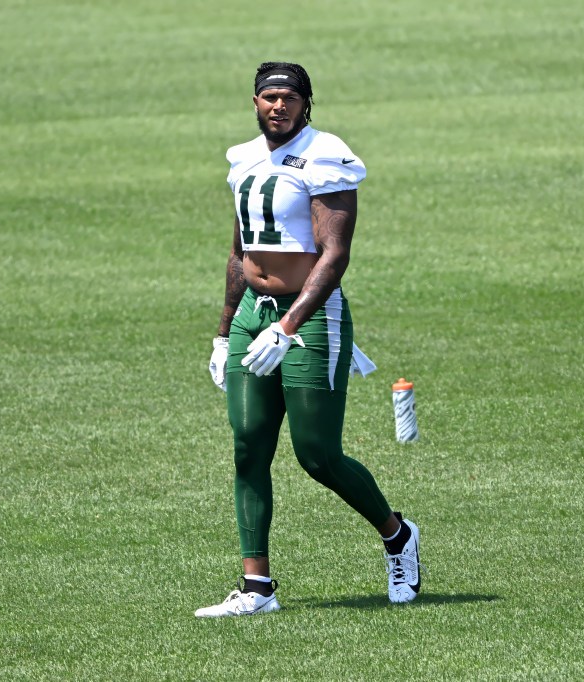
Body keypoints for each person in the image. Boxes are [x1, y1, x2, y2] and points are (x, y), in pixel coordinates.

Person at [196, 62, 421, 618]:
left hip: (311, 317)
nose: (279, 106)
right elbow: (239, 252)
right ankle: (257, 588)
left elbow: (335, 253)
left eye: (289, 98)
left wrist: (288, 326)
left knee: (316, 455)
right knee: (248, 445)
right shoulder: (243, 158)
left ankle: (397, 535)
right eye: (269, 97)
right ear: (254, 102)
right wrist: (224, 333)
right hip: (252, 315)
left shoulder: (326, 154)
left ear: (306, 103)